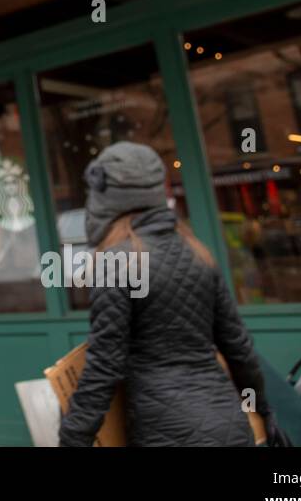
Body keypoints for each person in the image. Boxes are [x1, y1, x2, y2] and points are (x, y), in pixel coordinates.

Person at [58, 142, 289, 447]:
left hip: (165, 433)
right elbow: (239, 350)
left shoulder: (115, 263)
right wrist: (262, 408)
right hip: (229, 425)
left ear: (104, 201)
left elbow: (104, 366)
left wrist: (73, 439)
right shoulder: (198, 253)